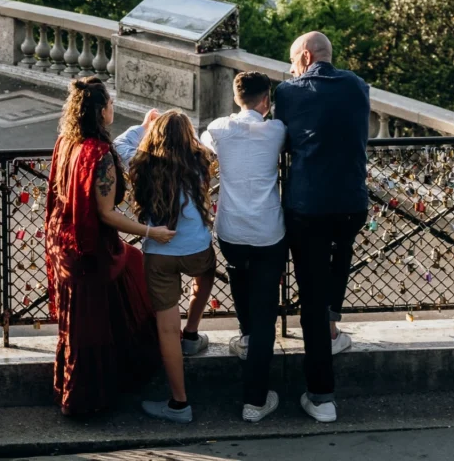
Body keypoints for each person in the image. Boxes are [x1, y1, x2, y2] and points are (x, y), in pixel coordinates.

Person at [45, 76, 175, 416]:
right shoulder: (99, 154)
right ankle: (92, 396)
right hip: (89, 250)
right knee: (128, 281)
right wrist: (151, 231)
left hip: (63, 241)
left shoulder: (67, 142)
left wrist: (144, 129)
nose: (113, 109)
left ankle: (79, 387)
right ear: (102, 111)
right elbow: (106, 214)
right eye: (111, 104)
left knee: (84, 320)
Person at [274, 32, 369, 425]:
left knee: (310, 299)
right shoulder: (358, 87)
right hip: (352, 203)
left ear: (306, 57)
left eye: (294, 62)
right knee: (340, 255)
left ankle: (321, 395)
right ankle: (333, 325)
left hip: (308, 206)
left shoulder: (287, 92)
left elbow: (282, 133)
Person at [116, 110, 216, 425]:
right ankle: (192, 332)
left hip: (159, 252)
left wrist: (145, 126)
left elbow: (120, 143)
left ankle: (179, 403)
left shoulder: (141, 162)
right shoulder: (200, 161)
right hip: (197, 248)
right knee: (206, 275)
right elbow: (201, 145)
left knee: (166, 327)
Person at [201, 70, 287, 424]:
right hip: (268, 229)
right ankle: (254, 400)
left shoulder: (218, 129)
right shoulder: (278, 130)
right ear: (266, 100)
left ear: (236, 97)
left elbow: (202, 147)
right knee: (267, 308)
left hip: (231, 227)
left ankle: (247, 337)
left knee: (238, 278)